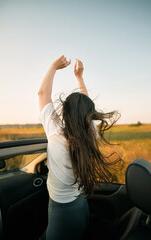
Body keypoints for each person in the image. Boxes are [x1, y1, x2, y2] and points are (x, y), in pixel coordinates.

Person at [38, 56, 123, 240]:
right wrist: (79, 77)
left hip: (61, 211)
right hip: (81, 204)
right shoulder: (91, 133)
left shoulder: (56, 133)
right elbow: (83, 105)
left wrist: (53, 66)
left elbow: (42, 93)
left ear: (65, 112)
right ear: (89, 115)